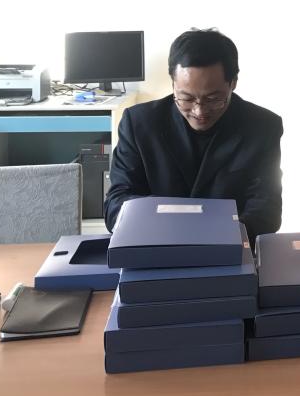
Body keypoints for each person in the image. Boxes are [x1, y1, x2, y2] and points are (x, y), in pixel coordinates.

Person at [104, 28, 282, 245]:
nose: (199, 111)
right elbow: (117, 203)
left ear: (233, 83)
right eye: (186, 98)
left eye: (213, 99)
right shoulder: (139, 124)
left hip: (229, 248)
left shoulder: (262, 126)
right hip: (155, 246)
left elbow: (266, 209)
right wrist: (171, 224)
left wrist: (215, 236)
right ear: (173, 83)